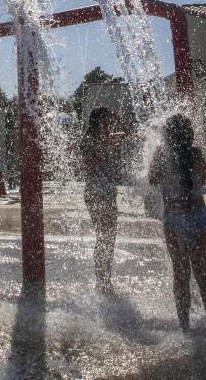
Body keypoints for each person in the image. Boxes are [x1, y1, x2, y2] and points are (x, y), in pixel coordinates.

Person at [147, 113, 206, 330]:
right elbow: (202, 181)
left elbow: (152, 179)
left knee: (181, 274)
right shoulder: (197, 155)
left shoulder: (162, 154)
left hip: (174, 217)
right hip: (198, 214)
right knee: (203, 272)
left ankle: (184, 326)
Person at [81, 107, 128, 293]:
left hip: (108, 192)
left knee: (109, 237)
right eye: (105, 121)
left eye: (109, 121)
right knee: (103, 237)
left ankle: (105, 280)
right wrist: (105, 146)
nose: (109, 124)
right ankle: (101, 281)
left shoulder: (105, 138)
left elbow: (128, 132)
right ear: (97, 122)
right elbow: (91, 166)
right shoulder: (88, 140)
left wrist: (118, 116)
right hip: (95, 193)